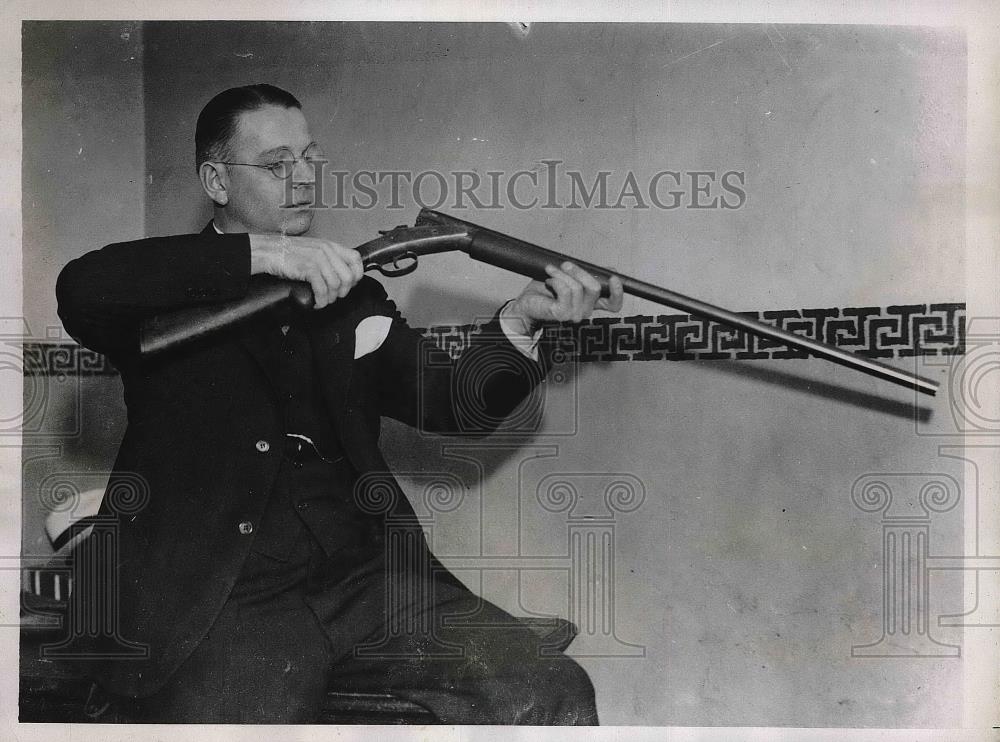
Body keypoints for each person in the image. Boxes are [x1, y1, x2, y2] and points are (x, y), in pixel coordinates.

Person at [54, 83, 624, 724]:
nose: (302, 180)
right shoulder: (164, 291)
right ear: (216, 180)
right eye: (276, 165)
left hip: (368, 582)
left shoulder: (353, 296)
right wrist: (263, 252)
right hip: (225, 598)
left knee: (551, 689)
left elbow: (450, 403)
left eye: (309, 159)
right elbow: (82, 286)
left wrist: (519, 323)